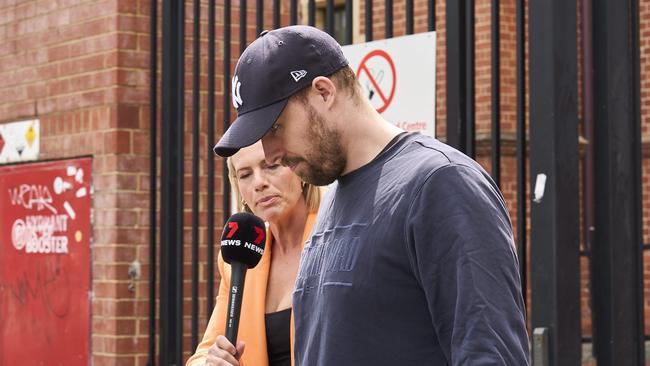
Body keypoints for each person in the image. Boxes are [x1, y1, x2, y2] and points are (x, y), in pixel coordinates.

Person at [214, 25, 530, 365]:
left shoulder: (441, 183)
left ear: (323, 92)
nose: (270, 152)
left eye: (275, 127)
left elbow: (491, 355)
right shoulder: (334, 199)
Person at [187, 141, 321, 366]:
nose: (258, 183)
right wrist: (211, 363)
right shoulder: (237, 261)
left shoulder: (337, 239)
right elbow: (204, 353)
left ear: (301, 171)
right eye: (245, 174)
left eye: (271, 166)